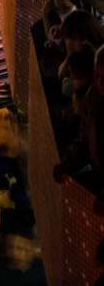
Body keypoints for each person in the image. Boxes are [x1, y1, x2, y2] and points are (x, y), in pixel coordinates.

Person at [54, 45, 104, 213]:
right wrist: (67, 164)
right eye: (97, 75)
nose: (100, 82)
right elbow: (86, 138)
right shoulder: (93, 96)